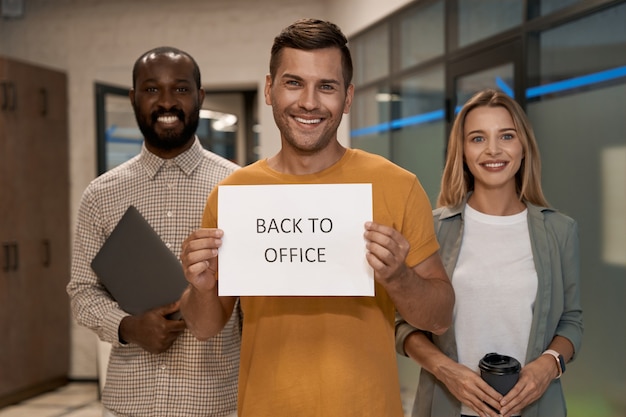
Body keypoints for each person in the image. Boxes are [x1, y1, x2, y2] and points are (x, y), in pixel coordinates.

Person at [178, 18, 455, 417]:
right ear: (270, 89)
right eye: (294, 83)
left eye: (326, 86)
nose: (309, 102)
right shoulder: (233, 196)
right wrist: (201, 288)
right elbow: (204, 328)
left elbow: (441, 318)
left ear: (347, 98)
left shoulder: (398, 186)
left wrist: (400, 277)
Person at [67, 46, 241, 417]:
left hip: (216, 403)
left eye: (180, 89)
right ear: (133, 98)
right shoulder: (100, 195)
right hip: (129, 402)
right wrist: (128, 326)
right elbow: (82, 292)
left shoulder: (239, 188)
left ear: (199, 97)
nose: (166, 102)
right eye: (151, 90)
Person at [395, 88, 583, 417]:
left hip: (536, 408)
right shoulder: (434, 228)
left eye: (506, 136)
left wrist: (547, 367)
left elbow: (571, 323)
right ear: (462, 151)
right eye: (478, 138)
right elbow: (404, 325)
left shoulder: (559, 231)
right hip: (447, 406)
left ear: (523, 146)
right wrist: (446, 371)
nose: (493, 150)